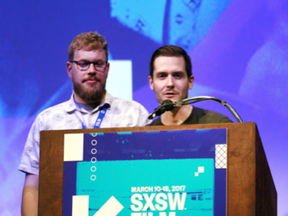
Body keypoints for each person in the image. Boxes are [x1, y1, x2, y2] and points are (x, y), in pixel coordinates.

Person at [19, 31, 150, 216]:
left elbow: (148, 179)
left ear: (107, 68)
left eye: (98, 64)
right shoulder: (47, 121)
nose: (91, 70)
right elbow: (33, 185)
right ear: (69, 69)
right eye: (83, 64)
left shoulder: (135, 115)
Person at [148, 45, 232, 125]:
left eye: (177, 75)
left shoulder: (219, 125)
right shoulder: (146, 135)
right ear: (151, 83)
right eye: (162, 76)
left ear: (190, 82)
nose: (170, 84)